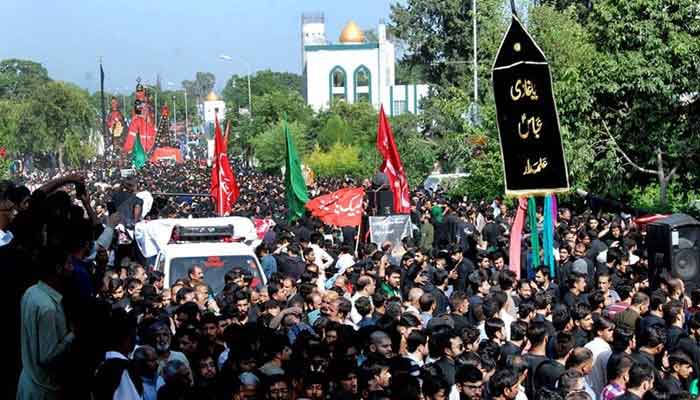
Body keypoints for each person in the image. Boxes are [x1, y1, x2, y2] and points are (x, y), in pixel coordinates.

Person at [17, 247, 76, 400]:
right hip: (43, 390)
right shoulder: (47, 307)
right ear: (58, 268)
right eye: (69, 264)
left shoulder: (31, 292)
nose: (72, 268)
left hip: (29, 382)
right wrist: (73, 335)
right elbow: (47, 357)